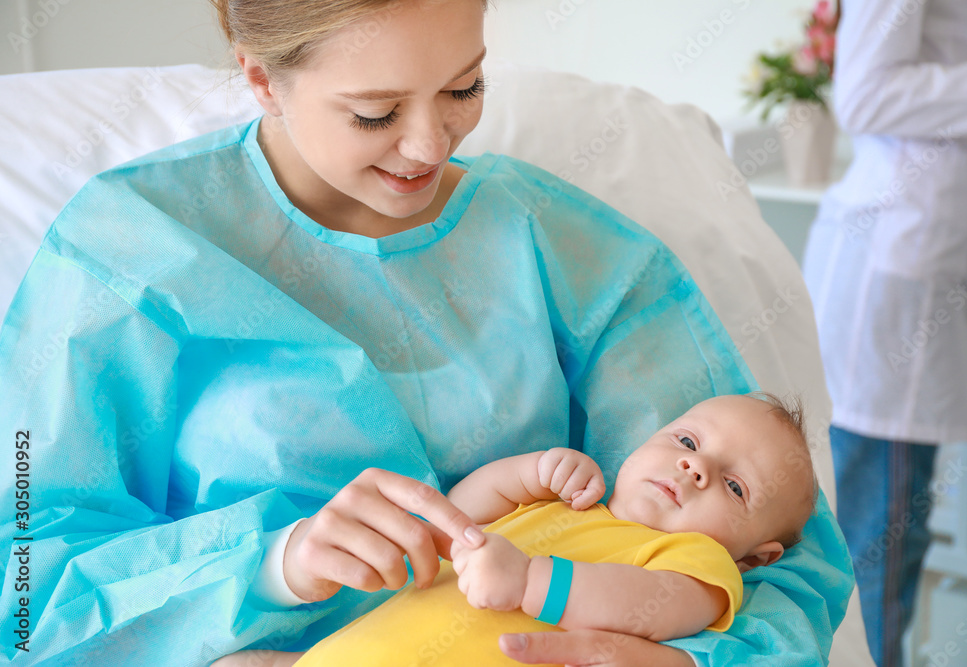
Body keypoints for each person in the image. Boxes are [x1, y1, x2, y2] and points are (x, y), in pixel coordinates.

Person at [0, 1, 852, 665]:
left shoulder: (559, 242)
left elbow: (777, 541)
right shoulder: (128, 247)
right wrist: (269, 563)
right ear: (261, 79)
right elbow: (26, 592)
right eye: (374, 113)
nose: (428, 144)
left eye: (463, 89)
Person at [214, 393, 816, 666]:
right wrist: (528, 474)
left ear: (755, 557)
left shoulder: (698, 561)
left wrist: (532, 581)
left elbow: (651, 609)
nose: (696, 467)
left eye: (735, 487)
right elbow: (458, 517)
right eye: (686, 441)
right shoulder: (575, 507)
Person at [800, 1, 967, 665]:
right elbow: (865, 92)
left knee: (893, 549)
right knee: (875, 554)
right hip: (891, 284)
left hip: (931, 277)